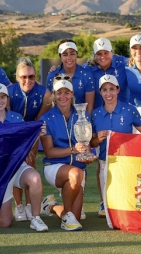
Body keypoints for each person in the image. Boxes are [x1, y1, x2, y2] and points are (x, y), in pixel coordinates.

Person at [0, 83, 49, 232]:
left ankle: (35, 218)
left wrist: (37, 134)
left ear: (7, 98)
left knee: (35, 178)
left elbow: (26, 144)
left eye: (3, 97)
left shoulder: (16, 118)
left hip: (17, 166)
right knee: (5, 222)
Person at [90, 74, 141, 217]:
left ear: (118, 90)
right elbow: (91, 142)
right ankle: (103, 202)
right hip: (105, 162)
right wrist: (97, 140)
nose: (108, 93)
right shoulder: (95, 114)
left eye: (112, 89)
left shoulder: (129, 110)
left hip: (126, 162)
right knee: (108, 207)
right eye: (104, 90)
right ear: (100, 92)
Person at [39, 78, 93, 231]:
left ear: (72, 94)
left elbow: (86, 144)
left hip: (77, 168)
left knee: (76, 216)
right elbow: (49, 151)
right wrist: (73, 150)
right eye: (59, 93)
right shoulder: (46, 118)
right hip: (54, 167)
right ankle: (67, 216)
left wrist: (87, 155)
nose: (63, 97)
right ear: (54, 95)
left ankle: (51, 207)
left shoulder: (82, 115)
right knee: (76, 173)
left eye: (66, 93)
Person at [7, 57, 52, 222]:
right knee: (15, 165)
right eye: (23, 77)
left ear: (36, 77)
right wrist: (20, 147)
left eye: (31, 76)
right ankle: (18, 206)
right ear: (17, 77)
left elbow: (39, 122)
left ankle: (29, 205)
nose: (27, 80)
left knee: (31, 163)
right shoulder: (9, 92)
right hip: (14, 133)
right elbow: (9, 120)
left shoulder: (45, 93)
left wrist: (31, 144)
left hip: (32, 132)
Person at [46, 39, 95, 114]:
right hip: (59, 120)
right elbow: (49, 104)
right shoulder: (52, 76)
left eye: (72, 54)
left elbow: (89, 106)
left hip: (80, 120)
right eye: (65, 55)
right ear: (60, 57)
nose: (69, 57)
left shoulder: (87, 75)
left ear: (76, 54)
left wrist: (86, 123)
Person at [85, 37, 129, 109]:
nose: (103, 57)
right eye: (99, 54)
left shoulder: (123, 64)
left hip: (123, 114)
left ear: (112, 52)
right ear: (94, 55)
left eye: (106, 53)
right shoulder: (87, 69)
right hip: (99, 116)